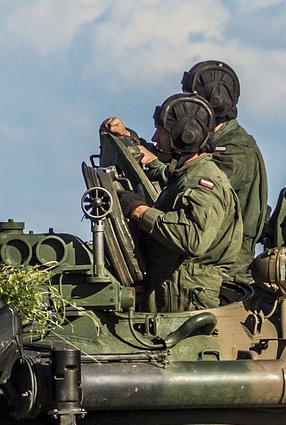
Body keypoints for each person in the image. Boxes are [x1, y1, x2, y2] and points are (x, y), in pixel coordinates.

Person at [103, 60, 267, 283]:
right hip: (192, 266)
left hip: (218, 269)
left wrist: (143, 204)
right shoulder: (204, 144)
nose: (187, 104)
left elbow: (190, 179)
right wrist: (127, 138)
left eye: (192, 99)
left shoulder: (236, 151)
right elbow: (171, 152)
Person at [116, 94, 242, 312]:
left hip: (186, 298)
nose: (155, 138)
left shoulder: (204, 182)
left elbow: (193, 238)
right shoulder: (184, 175)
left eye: (161, 132)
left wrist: (140, 212)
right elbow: (163, 170)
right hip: (173, 288)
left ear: (185, 137)